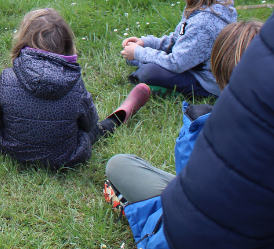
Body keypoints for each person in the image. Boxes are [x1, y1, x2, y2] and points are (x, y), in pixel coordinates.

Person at [103, 19, 264, 249]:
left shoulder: (203, 126)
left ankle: (135, 210)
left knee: (119, 164)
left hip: (190, 231)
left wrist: (140, 51)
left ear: (219, 69)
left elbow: (191, 199)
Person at [0, 8, 151, 169]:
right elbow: (89, 124)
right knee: (94, 131)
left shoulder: (7, 77)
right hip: (67, 156)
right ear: (67, 44)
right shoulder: (74, 83)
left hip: (14, 151)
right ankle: (121, 113)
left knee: (2, 96)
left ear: (23, 40)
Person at [121, 0, 237, 97]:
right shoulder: (201, 6)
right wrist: (146, 43)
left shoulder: (203, 24)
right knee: (136, 57)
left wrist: (140, 53)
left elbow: (176, 63)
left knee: (149, 72)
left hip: (206, 81)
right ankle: (143, 60)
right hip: (191, 62)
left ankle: (165, 87)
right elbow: (178, 40)